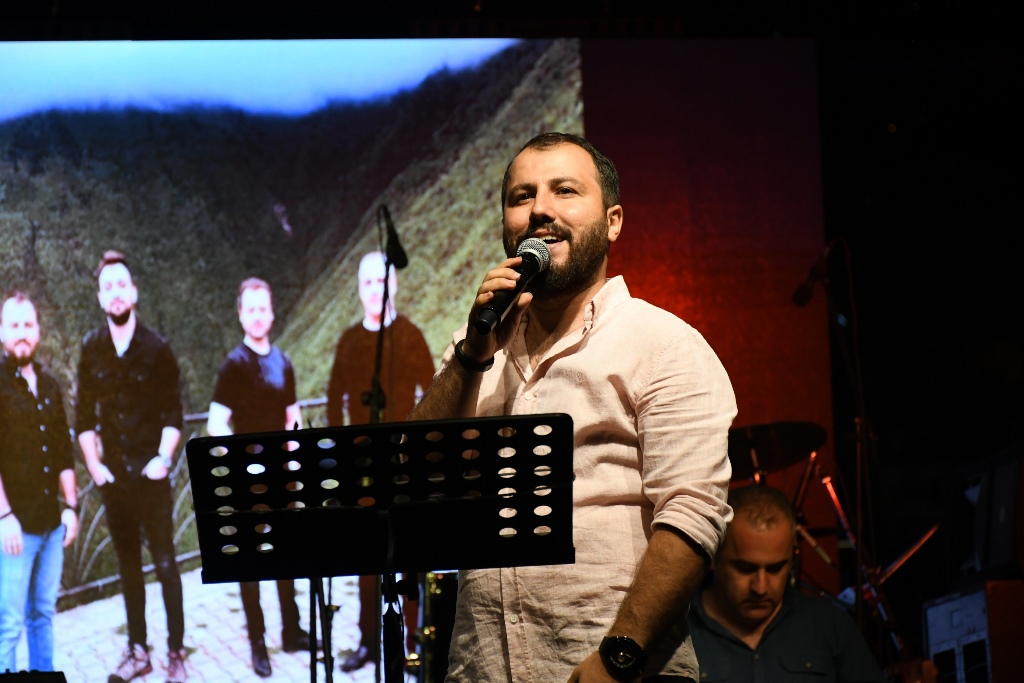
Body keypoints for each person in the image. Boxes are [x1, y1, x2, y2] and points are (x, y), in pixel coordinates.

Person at [409, 132, 737, 682]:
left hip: (617, 667)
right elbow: (415, 476)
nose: (540, 209)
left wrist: (619, 656)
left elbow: (691, 514)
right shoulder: (474, 350)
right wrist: (471, 356)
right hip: (482, 667)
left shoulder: (663, 345)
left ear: (613, 222)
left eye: (565, 191)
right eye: (522, 196)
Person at [75, 251, 187, 683]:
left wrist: (163, 459)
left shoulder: (158, 350)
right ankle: (138, 651)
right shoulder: (91, 349)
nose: (116, 293)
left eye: (122, 284)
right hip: (115, 480)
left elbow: (173, 414)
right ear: (100, 298)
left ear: (134, 292)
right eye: (108, 287)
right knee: (128, 567)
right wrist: (94, 467)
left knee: (165, 564)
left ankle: (176, 651)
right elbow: (83, 418)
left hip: (150, 477)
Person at [326, 250, 435, 673]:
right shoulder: (349, 342)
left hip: (406, 464)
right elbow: (333, 400)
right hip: (362, 467)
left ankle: (411, 645)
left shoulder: (410, 336)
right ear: (359, 289)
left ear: (395, 284)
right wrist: (342, 454)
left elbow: (433, 392)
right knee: (366, 557)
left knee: (409, 556)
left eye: (381, 281)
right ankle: (369, 641)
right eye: (368, 282)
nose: (375, 289)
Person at [207, 277, 311, 678]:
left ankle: (292, 631)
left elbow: (292, 417)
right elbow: (217, 423)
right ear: (240, 314)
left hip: (281, 476)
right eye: (250, 308)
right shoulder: (232, 365)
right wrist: (240, 463)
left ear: (271, 313)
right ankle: (257, 642)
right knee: (250, 561)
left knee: (285, 553)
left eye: (262, 308)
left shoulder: (283, 362)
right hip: (248, 479)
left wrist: (296, 460)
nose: (257, 315)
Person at [687, 485, 886, 683]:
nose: (760, 588)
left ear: (792, 560)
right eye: (745, 569)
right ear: (713, 555)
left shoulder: (830, 628)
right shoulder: (679, 632)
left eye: (775, 569)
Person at [0, 292, 78, 673]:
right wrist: (4, 516)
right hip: (14, 530)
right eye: (14, 325)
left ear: (38, 331)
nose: (22, 333)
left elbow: (63, 453)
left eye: (28, 325)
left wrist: (72, 507)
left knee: (42, 615)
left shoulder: (49, 386)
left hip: (51, 525)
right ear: (2, 332)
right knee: (9, 626)